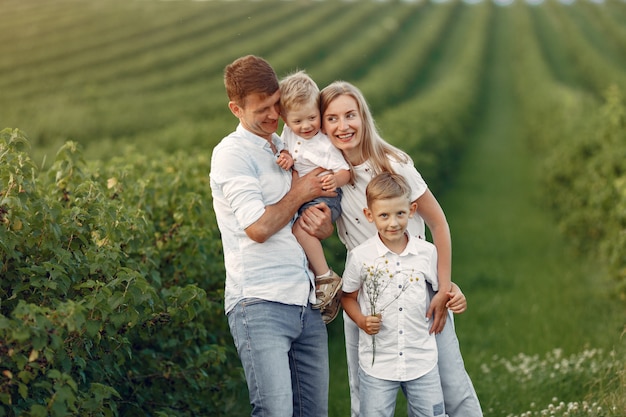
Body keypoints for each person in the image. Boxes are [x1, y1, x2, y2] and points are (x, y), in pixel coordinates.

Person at [297, 80, 482, 416]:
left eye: (350, 115)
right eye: (333, 118)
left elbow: (439, 223)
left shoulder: (393, 165)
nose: (343, 126)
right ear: (321, 125)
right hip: (365, 292)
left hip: (416, 287)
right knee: (365, 394)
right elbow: (324, 224)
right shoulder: (328, 176)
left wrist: (442, 287)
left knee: (449, 384)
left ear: (363, 117)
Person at [209, 55, 334, 417]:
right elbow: (259, 228)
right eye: (261, 109)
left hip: (305, 302)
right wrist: (302, 192)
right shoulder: (231, 155)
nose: (271, 115)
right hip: (259, 303)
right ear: (235, 108)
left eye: (275, 105)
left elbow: (302, 221)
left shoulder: (283, 146)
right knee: (274, 411)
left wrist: (320, 223)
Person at [341, 172, 445, 417]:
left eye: (400, 213)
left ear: (412, 210)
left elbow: (442, 287)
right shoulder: (361, 256)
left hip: (421, 360)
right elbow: (347, 297)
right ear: (369, 216)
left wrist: (455, 295)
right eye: (384, 216)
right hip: (378, 364)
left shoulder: (426, 253)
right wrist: (362, 321)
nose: (393, 223)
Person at [277, 70, 351, 324]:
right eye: (298, 121)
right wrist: (286, 157)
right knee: (297, 235)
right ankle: (319, 284)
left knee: (301, 230)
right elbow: (287, 153)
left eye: (312, 117)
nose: (307, 126)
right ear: (284, 120)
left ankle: (326, 277)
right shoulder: (288, 134)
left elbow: (345, 171)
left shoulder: (324, 143)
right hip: (305, 194)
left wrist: (335, 179)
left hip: (326, 197)